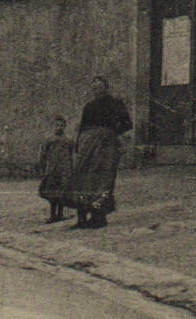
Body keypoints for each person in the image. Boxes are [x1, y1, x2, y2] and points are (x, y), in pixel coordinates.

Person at [63, 77, 132, 229]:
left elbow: (127, 124)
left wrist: (111, 133)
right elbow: (83, 127)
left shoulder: (116, 104)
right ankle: (81, 219)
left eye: (100, 88)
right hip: (88, 147)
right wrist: (79, 144)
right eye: (94, 88)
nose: (97, 91)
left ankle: (99, 218)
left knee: (102, 180)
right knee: (82, 179)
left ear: (106, 88)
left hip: (106, 147)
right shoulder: (89, 106)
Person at [37, 115, 74, 224]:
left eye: (61, 126)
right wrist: (42, 167)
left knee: (62, 193)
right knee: (52, 193)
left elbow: (72, 155)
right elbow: (43, 155)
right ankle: (53, 215)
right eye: (57, 125)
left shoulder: (68, 141)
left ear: (65, 127)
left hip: (64, 171)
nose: (59, 128)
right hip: (52, 170)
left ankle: (60, 214)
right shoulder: (49, 140)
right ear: (53, 126)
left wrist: (71, 168)